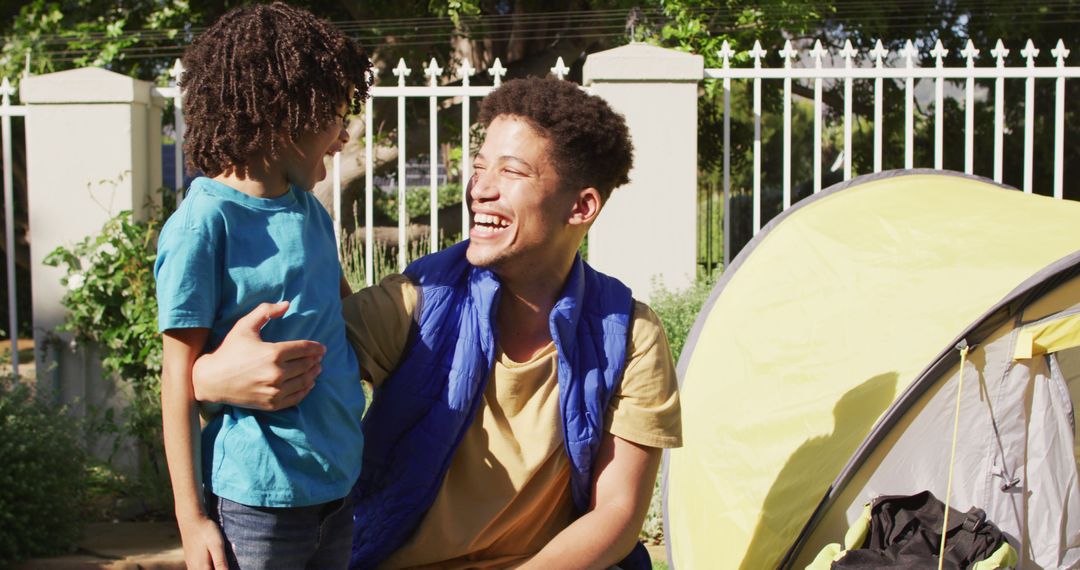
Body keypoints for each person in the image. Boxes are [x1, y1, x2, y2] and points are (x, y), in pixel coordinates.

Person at [193, 77, 682, 569]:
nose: (480, 189)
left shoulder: (630, 336)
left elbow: (616, 514)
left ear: (581, 206)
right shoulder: (419, 302)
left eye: (511, 172)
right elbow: (282, 368)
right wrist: (207, 378)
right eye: (478, 166)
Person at [154, 4, 371, 569]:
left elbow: (346, 321)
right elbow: (177, 376)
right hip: (256, 503)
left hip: (339, 488)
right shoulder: (204, 223)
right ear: (283, 113)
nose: (343, 135)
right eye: (335, 115)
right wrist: (192, 518)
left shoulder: (309, 213)